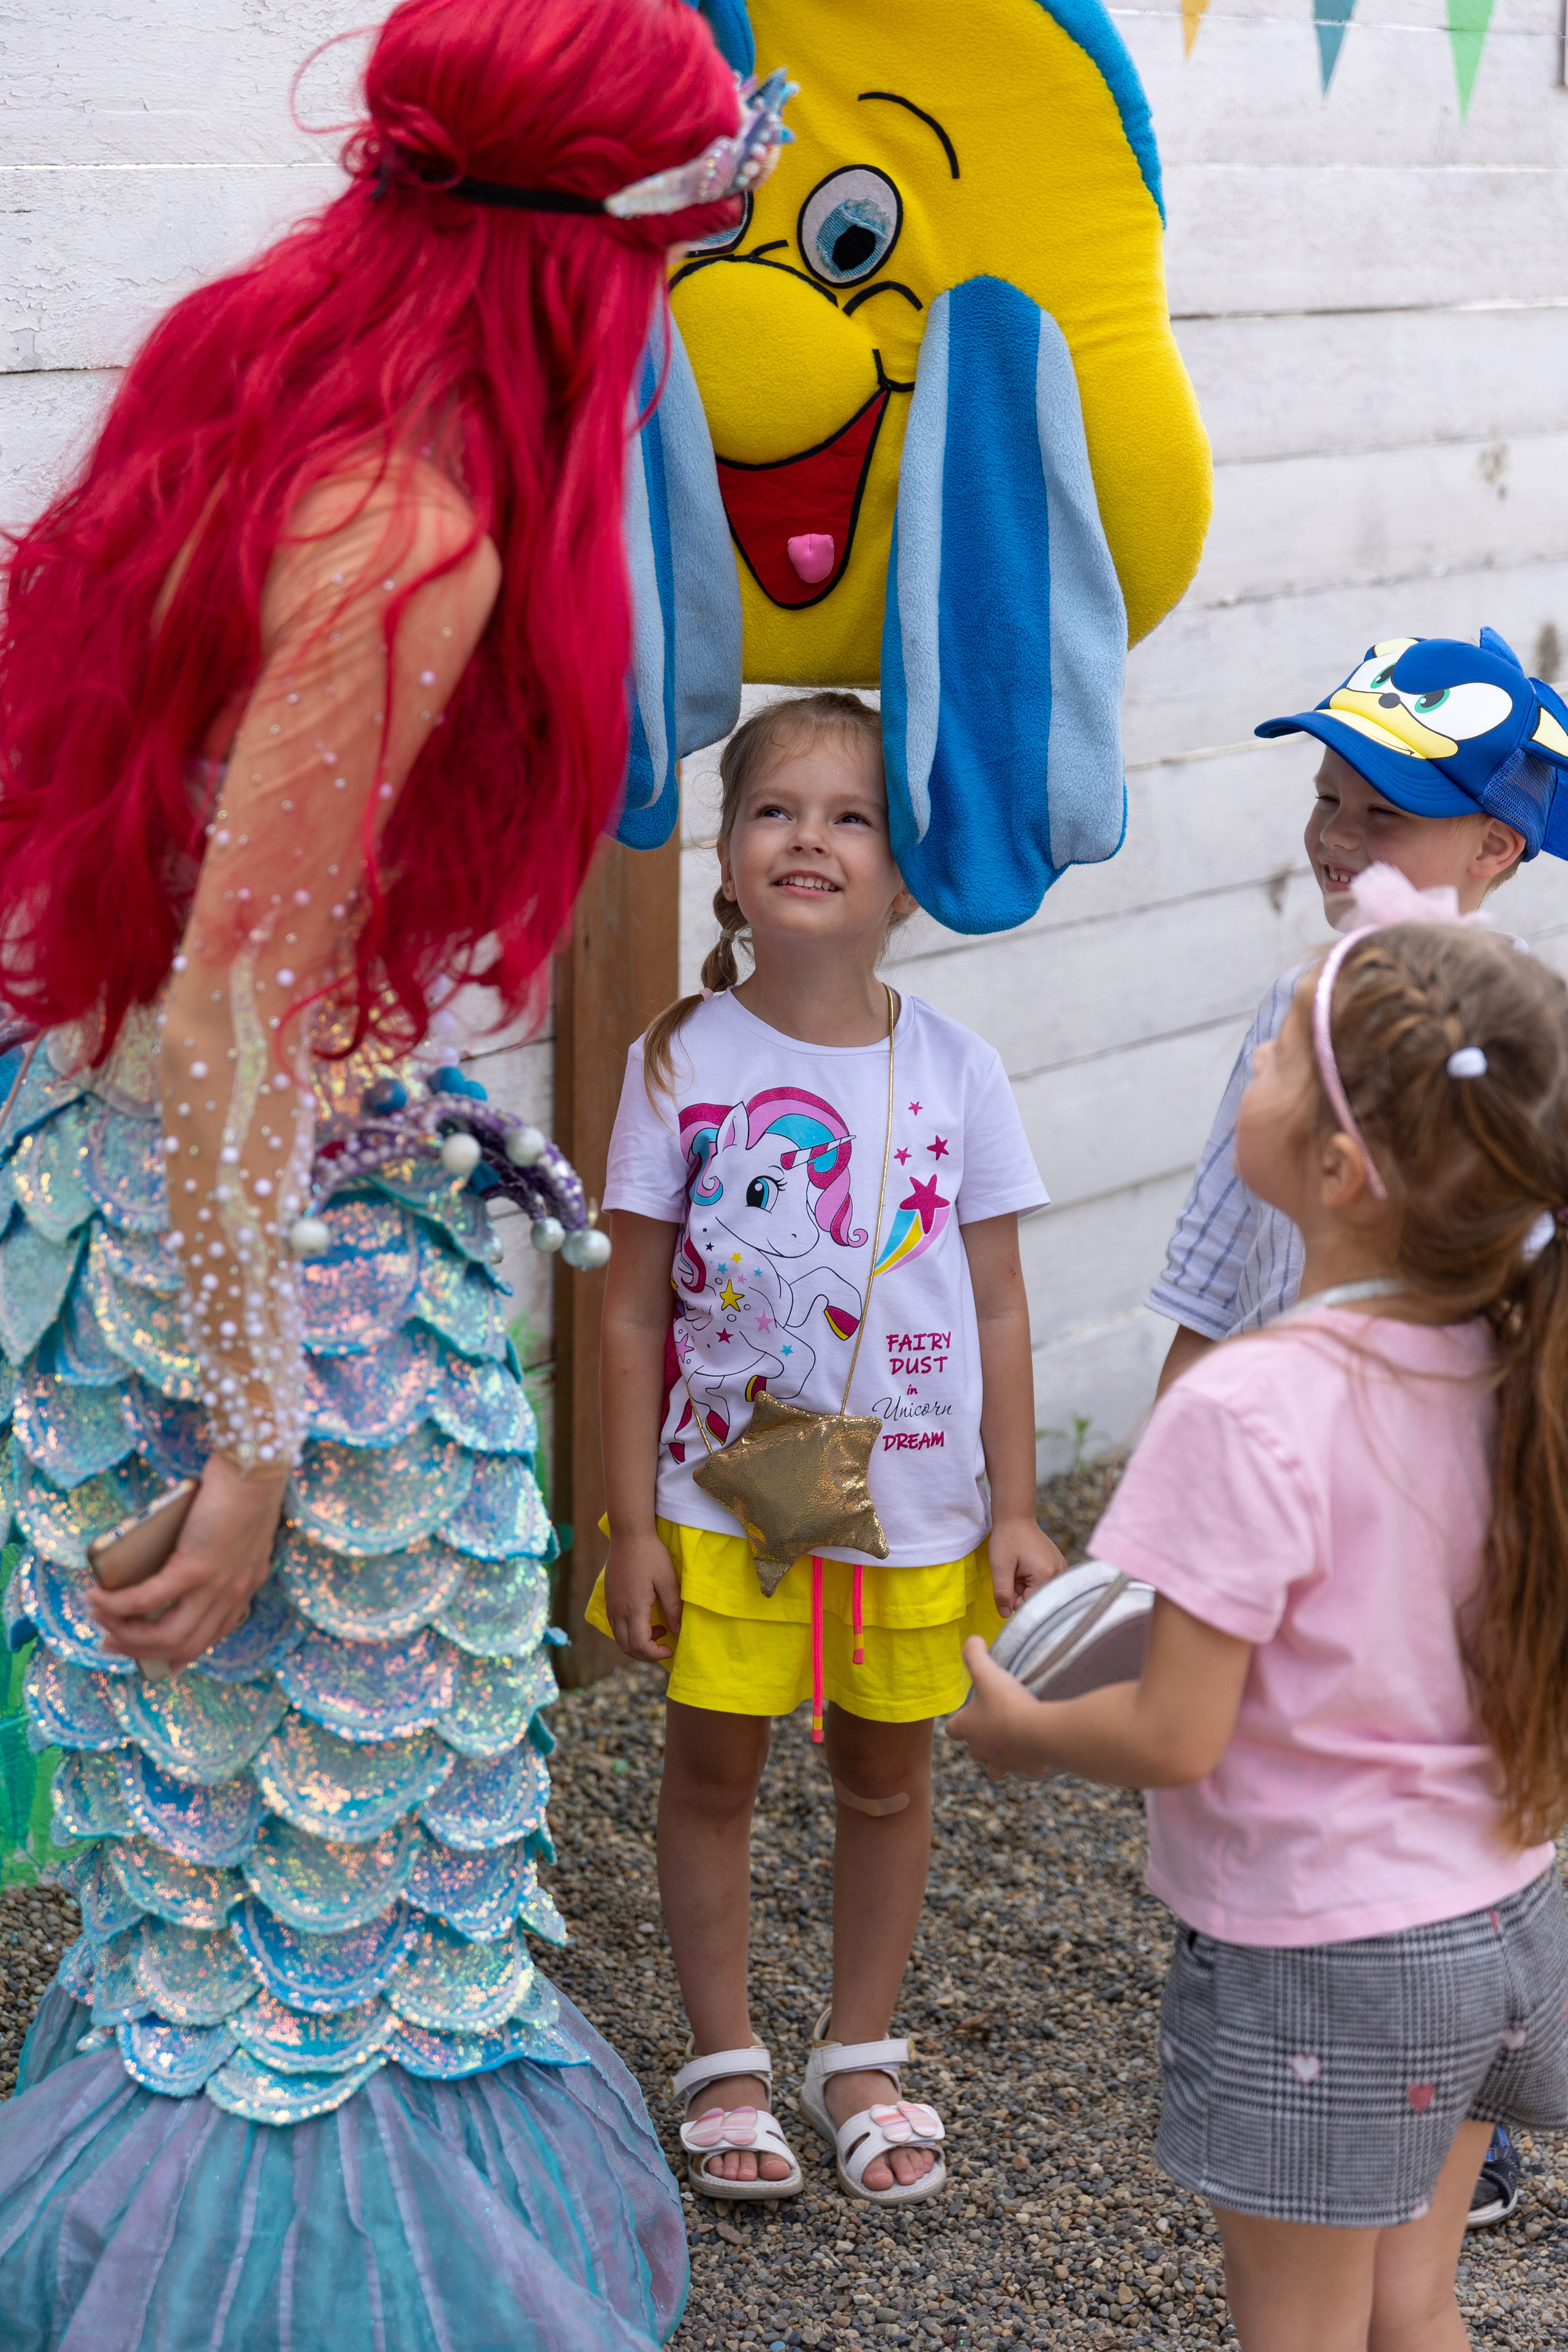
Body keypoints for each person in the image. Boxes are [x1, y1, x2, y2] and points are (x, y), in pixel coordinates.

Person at [0, 5, 790, 2345]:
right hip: (247, 1274)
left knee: (245, 1881)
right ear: (596, 273)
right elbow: (242, 1011)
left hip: (164, 1210)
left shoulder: (268, 385)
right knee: (325, 1928)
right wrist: (263, 1443)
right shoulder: (411, 522)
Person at [950, 869, 1568, 2352]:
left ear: (1342, 1172)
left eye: (1282, 1053)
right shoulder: (1515, 1367)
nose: (1258, 1064)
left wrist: (1026, 1730)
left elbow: (1173, 1730)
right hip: (1508, 1917)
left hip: (1324, 1959)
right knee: (1416, 2311)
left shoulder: (1245, 1405)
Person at [590, 690, 1061, 2206]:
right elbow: (620, 1317)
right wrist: (626, 1525)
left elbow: (993, 1304)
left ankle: (859, 2052)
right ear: (725, 862)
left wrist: (1015, 1504)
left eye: (853, 817)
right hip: (720, 1504)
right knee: (711, 1771)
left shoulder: (960, 1073)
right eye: (777, 811)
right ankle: (724, 2061)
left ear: (908, 875)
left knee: (882, 1780)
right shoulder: (675, 1064)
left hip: (911, 1509)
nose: (811, 838)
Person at [1147, 628, 1568, 2231]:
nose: (1337, 834)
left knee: (1409, 1766)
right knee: (1282, 1773)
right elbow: (1212, 1246)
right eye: (1329, 794)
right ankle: (1384, 2068)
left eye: (1381, 811)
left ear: (1500, 848)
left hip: (1415, 1498)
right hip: (1268, 1484)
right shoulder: (1287, 1009)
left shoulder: (1516, 1052)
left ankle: (1440, 2099)